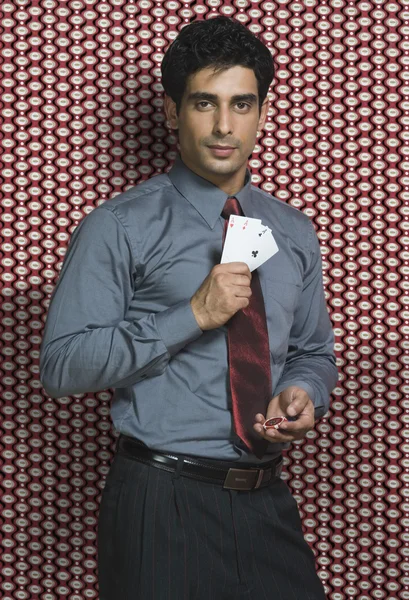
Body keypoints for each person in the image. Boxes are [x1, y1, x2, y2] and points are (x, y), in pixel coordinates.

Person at [40, 15, 338, 600]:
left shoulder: (293, 231)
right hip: (160, 499)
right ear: (174, 112)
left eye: (242, 104)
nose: (225, 126)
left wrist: (306, 392)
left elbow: (314, 352)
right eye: (205, 103)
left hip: (265, 499)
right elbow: (61, 366)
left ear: (262, 112)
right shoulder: (118, 226)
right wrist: (192, 316)